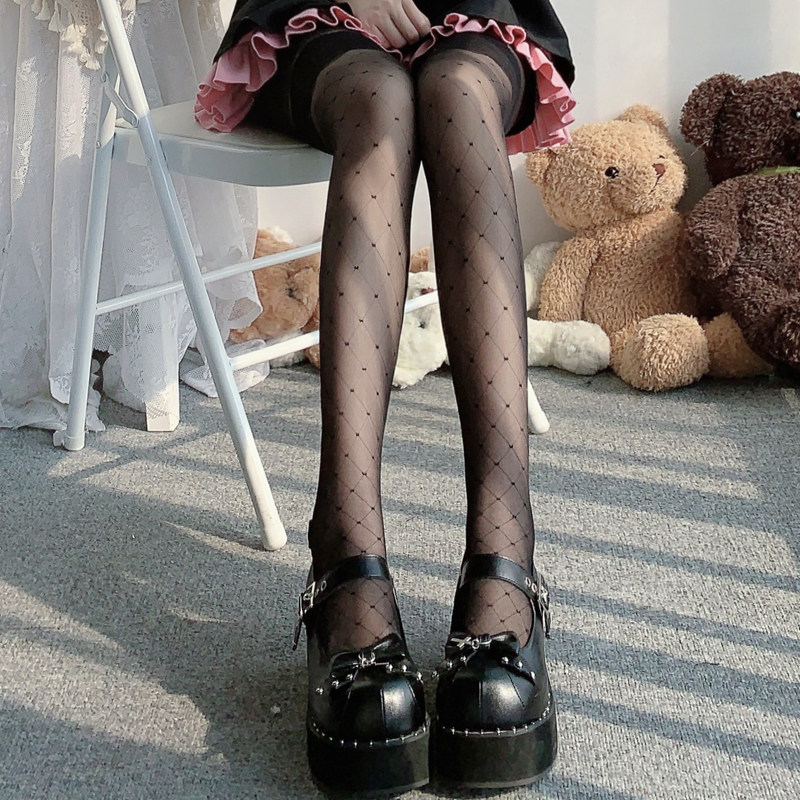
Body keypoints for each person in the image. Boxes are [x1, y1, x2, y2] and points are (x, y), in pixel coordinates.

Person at [196, 0, 575, 793]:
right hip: (320, 19)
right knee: (381, 96)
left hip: (470, 15)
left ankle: (505, 549)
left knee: (457, 93)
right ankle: (346, 549)